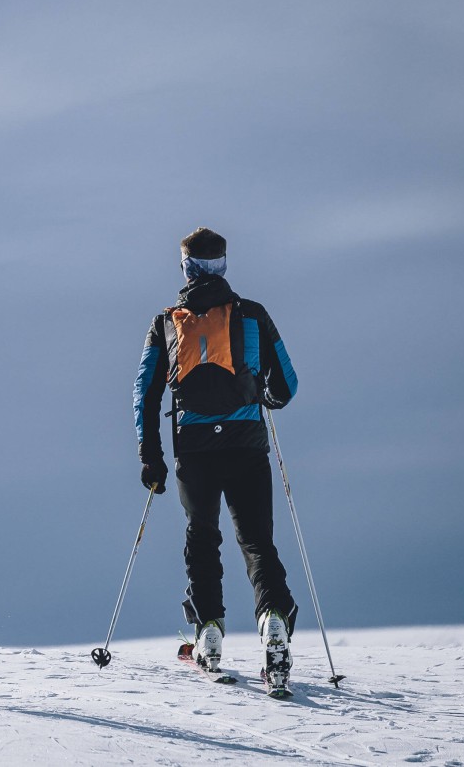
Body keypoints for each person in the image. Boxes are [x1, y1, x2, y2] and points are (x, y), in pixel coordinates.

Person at [133, 227, 299, 689]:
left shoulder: (166, 322)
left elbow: (145, 392)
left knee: (202, 537)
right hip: (246, 442)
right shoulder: (253, 316)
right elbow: (287, 384)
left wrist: (151, 457)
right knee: (257, 543)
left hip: (195, 448)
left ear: (185, 268)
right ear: (223, 264)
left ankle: (207, 633)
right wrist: (264, 395)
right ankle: (273, 623)